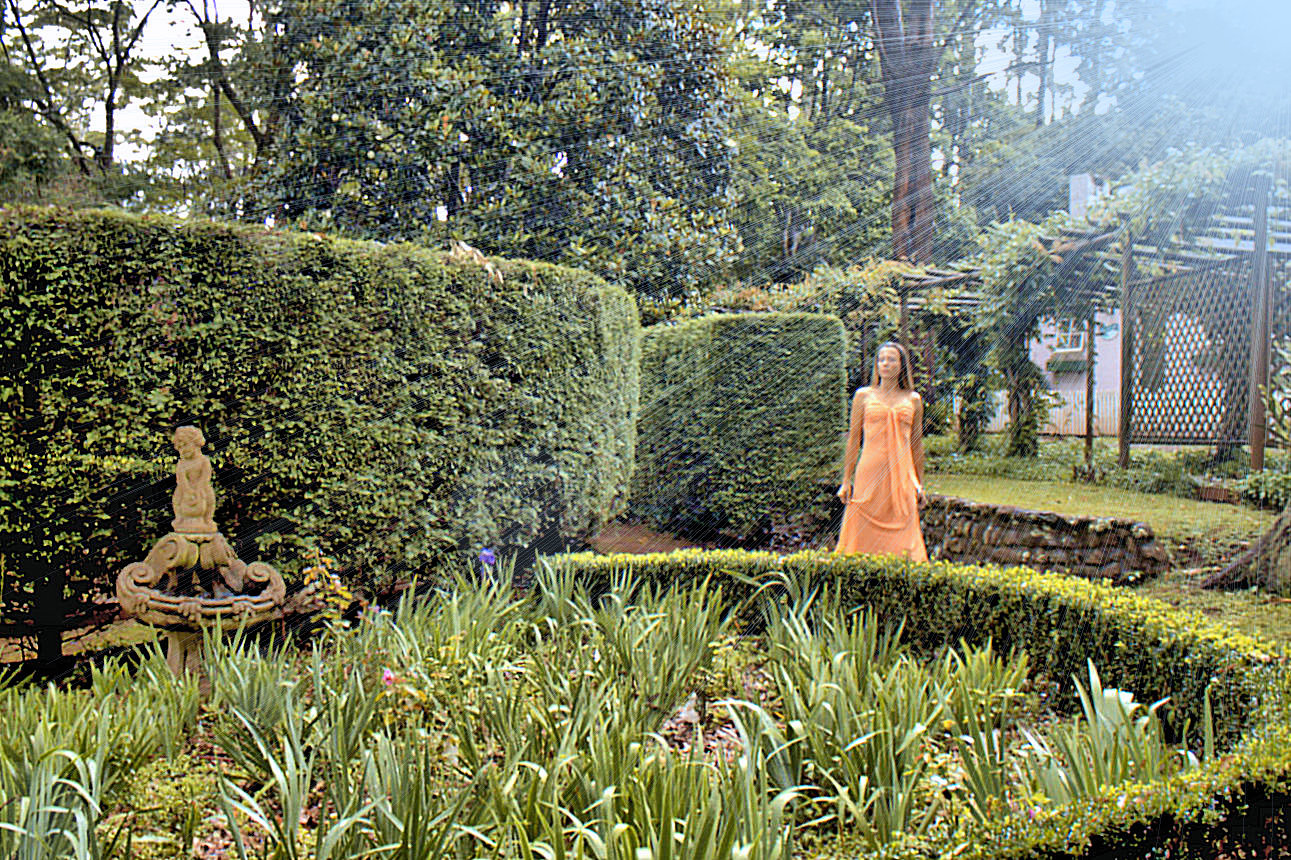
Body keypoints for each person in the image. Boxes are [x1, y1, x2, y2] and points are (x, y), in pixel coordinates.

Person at [835, 341, 927, 560]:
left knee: (905, 530)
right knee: (861, 533)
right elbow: (854, 440)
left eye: (891, 359)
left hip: (902, 475)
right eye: (881, 359)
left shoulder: (913, 400)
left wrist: (919, 483)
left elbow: (916, 445)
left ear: (901, 365)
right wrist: (846, 480)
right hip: (869, 473)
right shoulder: (863, 396)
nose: (885, 364)